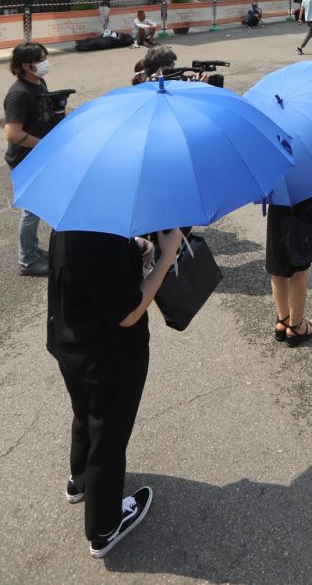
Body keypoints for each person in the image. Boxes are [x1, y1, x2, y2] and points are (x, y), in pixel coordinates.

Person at [47, 226, 182, 557]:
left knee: (86, 414)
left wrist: (133, 246)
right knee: (109, 435)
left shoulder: (73, 218)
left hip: (70, 344)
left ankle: (81, 481)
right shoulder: (97, 237)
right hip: (109, 359)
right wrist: (166, 258)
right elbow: (128, 312)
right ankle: (104, 527)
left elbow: (88, 268)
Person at [4, 42, 63, 276]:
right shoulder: (19, 94)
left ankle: (33, 251)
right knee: (32, 209)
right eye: (41, 59)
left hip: (41, 156)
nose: (45, 62)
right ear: (27, 66)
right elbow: (12, 133)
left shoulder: (39, 83)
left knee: (38, 206)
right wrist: (44, 144)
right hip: (26, 159)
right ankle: (27, 260)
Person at [266, 194, 312, 347]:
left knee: (278, 268)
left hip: (277, 201)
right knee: (299, 270)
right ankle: (296, 327)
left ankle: (283, 320)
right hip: (302, 199)